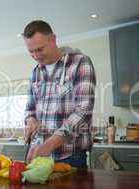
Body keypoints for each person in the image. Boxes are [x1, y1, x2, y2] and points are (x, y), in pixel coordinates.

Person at [23, 20, 96, 168]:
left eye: (40, 49)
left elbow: (84, 110)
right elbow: (29, 110)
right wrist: (31, 121)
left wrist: (50, 144)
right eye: (31, 51)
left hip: (70, 157)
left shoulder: (80, 62)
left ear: (53, 39)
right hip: (40, 156)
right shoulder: (35, 72)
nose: (36, 56)